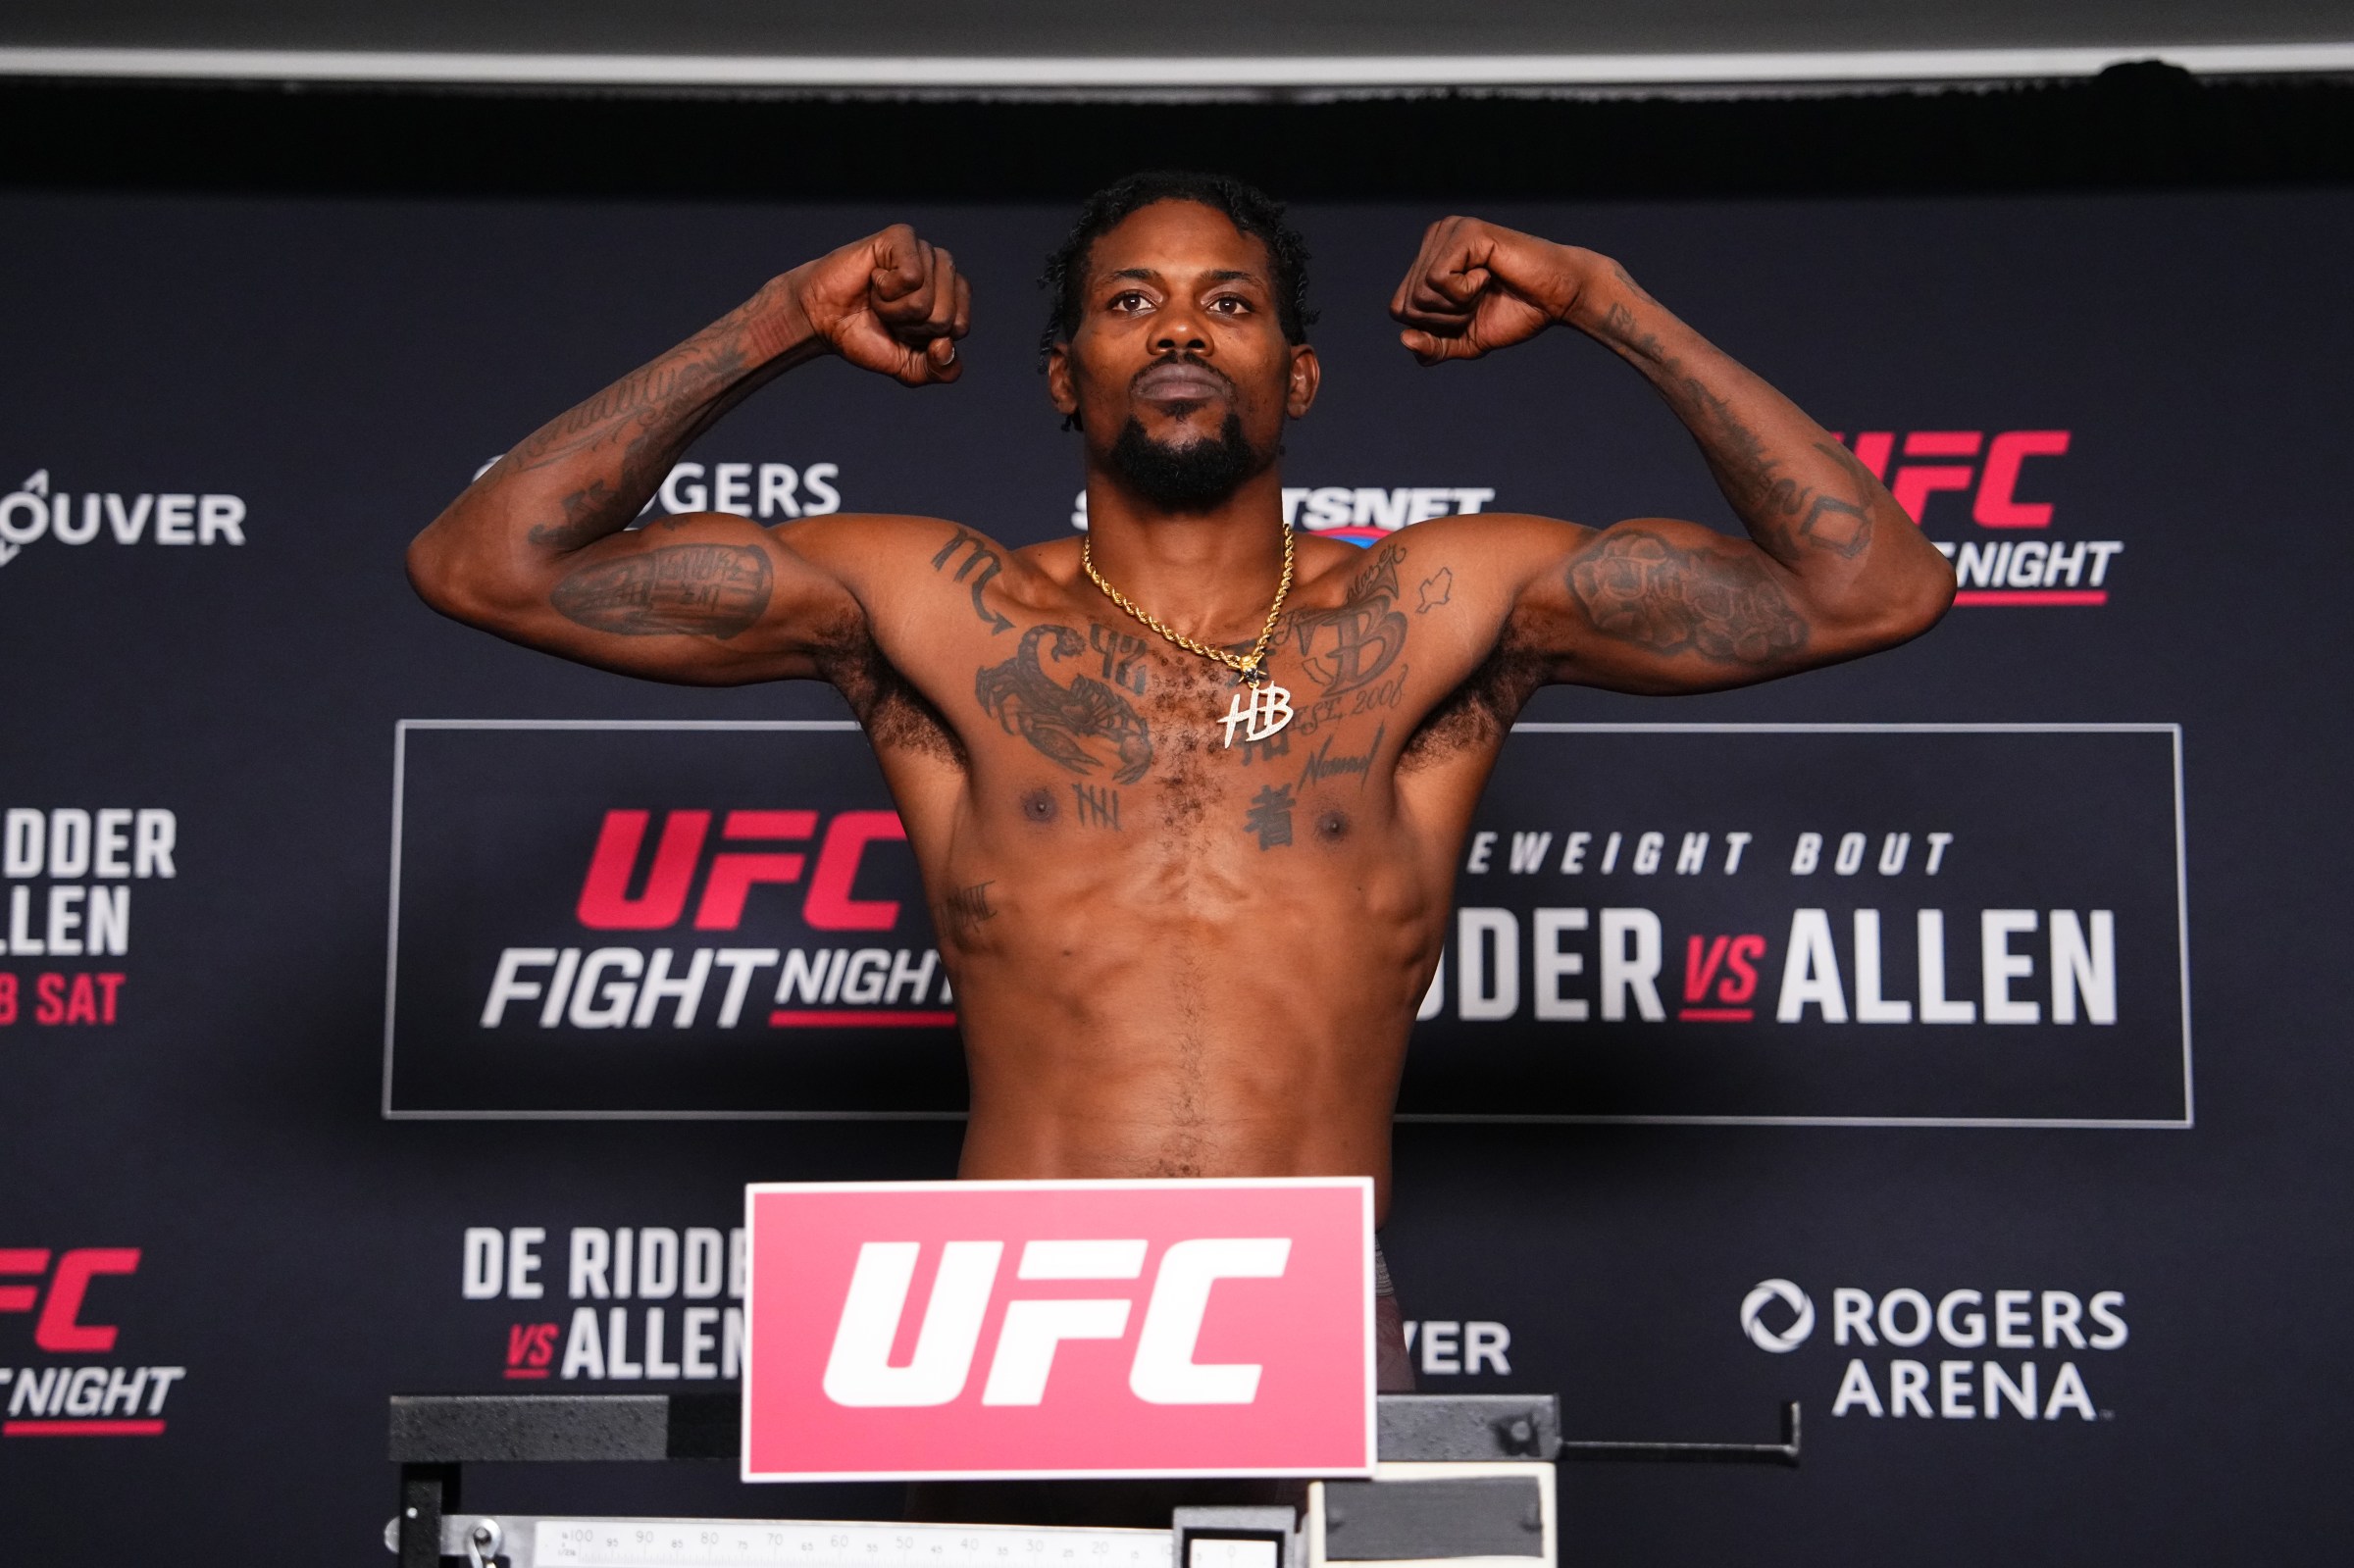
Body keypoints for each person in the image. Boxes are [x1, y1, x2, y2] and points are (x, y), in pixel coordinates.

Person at [407, 170, 1953, 1412]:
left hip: (1313, 1324)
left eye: (1231, 304)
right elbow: (484, 564)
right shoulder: (940, 612)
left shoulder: (1441, 610)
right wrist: (779, 319)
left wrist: (1608, 303)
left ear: (1301, 367)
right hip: (998, 1328)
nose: (1180, 332)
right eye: (1129, 304)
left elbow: (1871, 587)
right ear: (1063, 375)